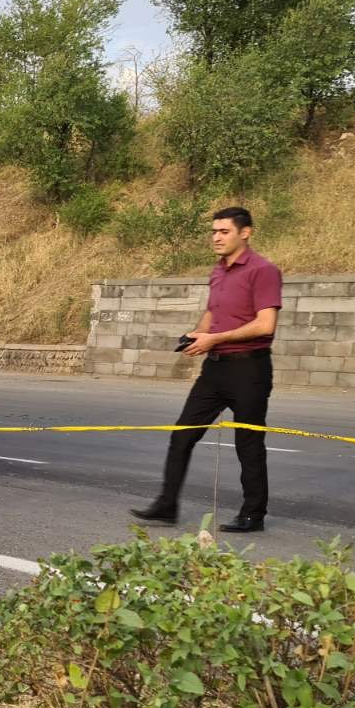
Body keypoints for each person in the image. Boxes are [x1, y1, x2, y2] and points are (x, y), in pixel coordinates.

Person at [131, 207, 282, 534]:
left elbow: (265, 324)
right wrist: (197, 335)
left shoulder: (263, 270)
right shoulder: (218, 271)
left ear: (245, 233)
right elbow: (213, 313)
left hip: (249, 369)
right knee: (182, 434)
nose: (216, 237)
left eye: (224, 231)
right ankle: (167, 505)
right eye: (213, 231)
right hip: (214, 370)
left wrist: (215, 338)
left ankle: (253, 514)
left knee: (248, 444)